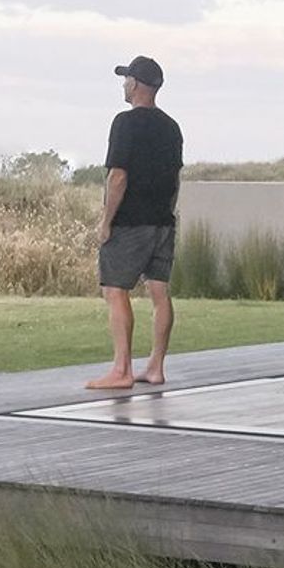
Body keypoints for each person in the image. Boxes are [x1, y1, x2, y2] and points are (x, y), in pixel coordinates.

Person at [87, 54, 182, 390]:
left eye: (127, 78)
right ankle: (155, 367)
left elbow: (118, 177)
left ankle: (122, 369)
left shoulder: (125, 123)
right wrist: (166, 215)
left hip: (130, 223)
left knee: (115, 290)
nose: (124, 84)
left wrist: (106, 221)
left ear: (137, 84)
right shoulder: (172, 127)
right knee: (159, 291)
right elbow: (175, 179)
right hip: (163, 222)